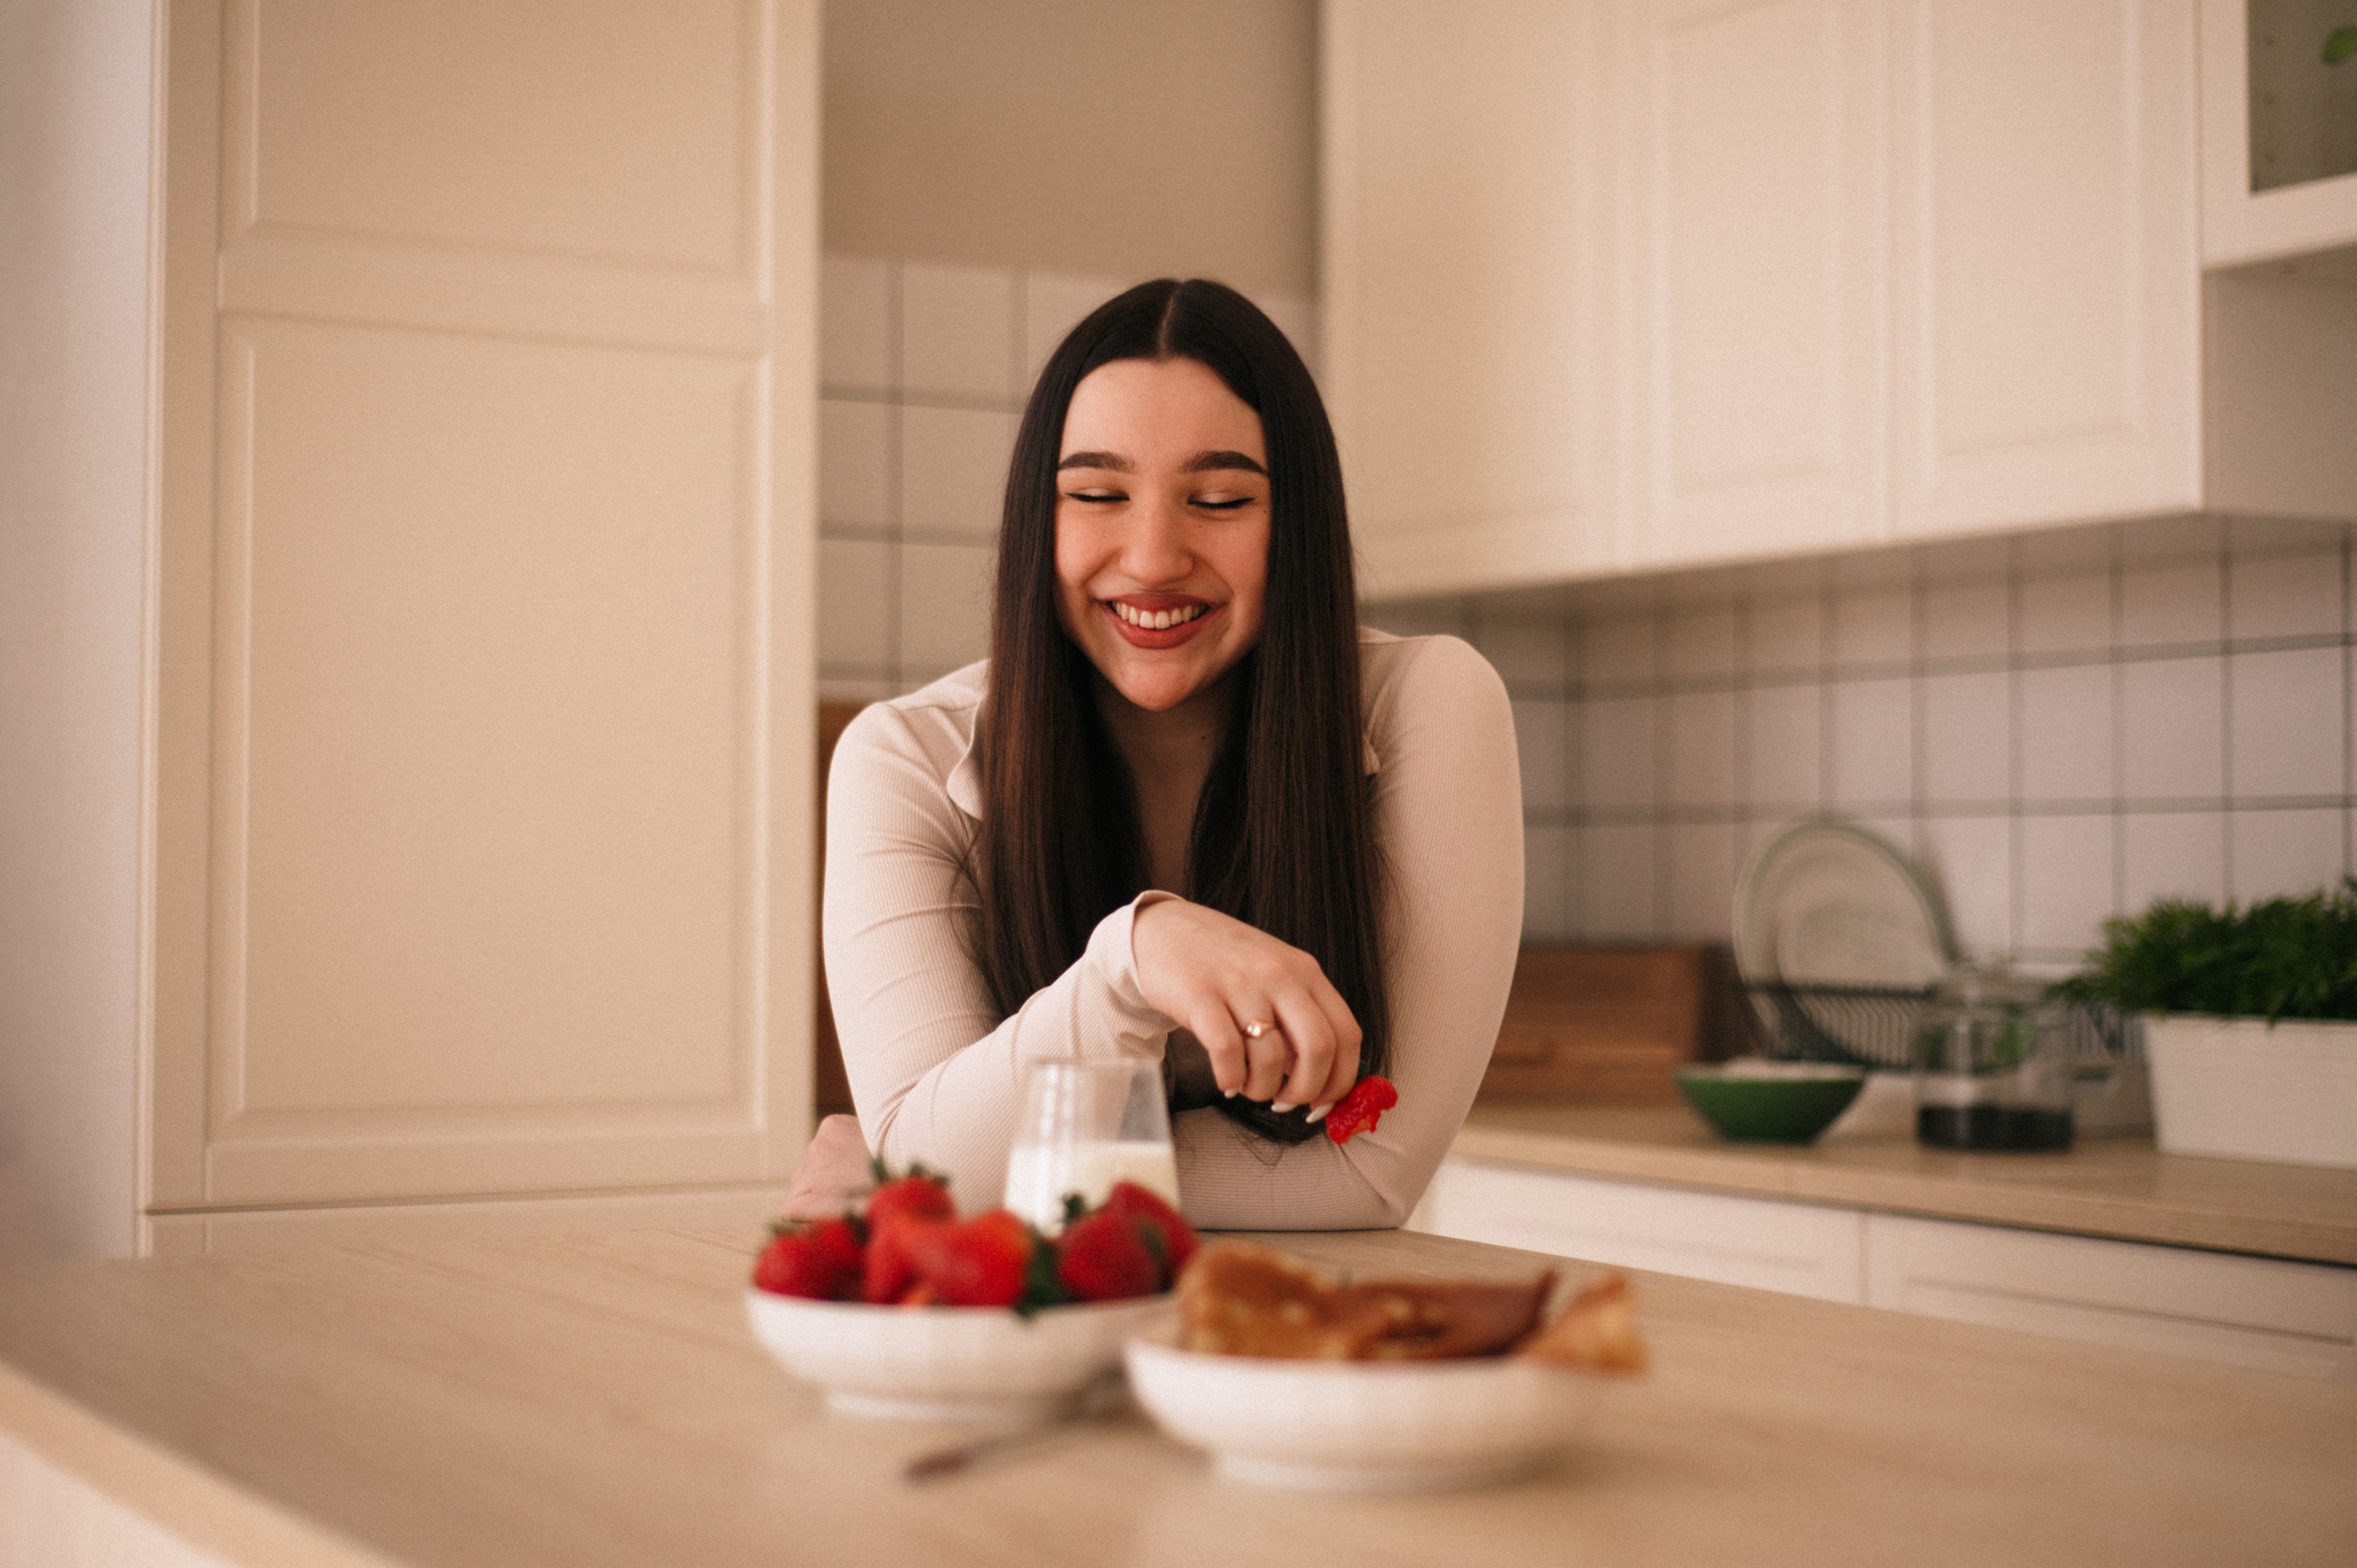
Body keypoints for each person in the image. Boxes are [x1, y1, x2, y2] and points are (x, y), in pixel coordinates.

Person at [784, 278, 1521, 1229]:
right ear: (1036, 520)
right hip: (1036, 1316)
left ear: (1295, 523)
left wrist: (953, 1167)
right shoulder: (903, 758)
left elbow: (1370, 1173)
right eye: (1097, 494)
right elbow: (933, 1169)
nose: (1153, 557)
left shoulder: (1432, 702)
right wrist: (1130, 962)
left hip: (1296, 1308)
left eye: (1218, 499)